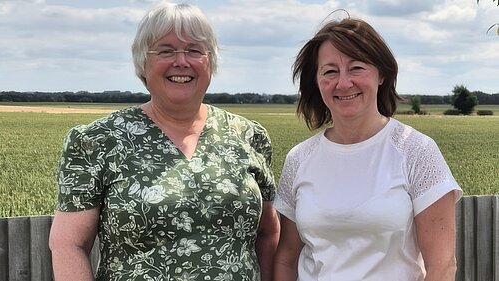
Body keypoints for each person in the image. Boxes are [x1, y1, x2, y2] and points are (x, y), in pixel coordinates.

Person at [49, 2, 280, 280]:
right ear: (142, 63)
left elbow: (268, 233)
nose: (181, 61)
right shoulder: (96, 141)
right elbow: (68, 244)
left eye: (194, 50)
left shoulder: (249, 136)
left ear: (211, 61)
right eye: (166, 50)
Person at [273, 15, 462, 281]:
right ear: (316, 81)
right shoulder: (299, 159)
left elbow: (442, 267)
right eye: (329, 71)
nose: (343, 83)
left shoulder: (416, 151)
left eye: (357, 68)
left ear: (382, 73)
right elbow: (286, 257)